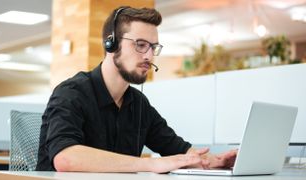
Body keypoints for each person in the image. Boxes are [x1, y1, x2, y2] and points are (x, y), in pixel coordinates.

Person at [36, 6, 236, 173]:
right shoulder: (71, 93)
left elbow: (179, 149)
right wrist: (151, 164)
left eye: (153, 47)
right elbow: (66, 158)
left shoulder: (138, 103)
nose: (149, 56)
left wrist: (213, 161)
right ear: (111, 44)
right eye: (140, 45)